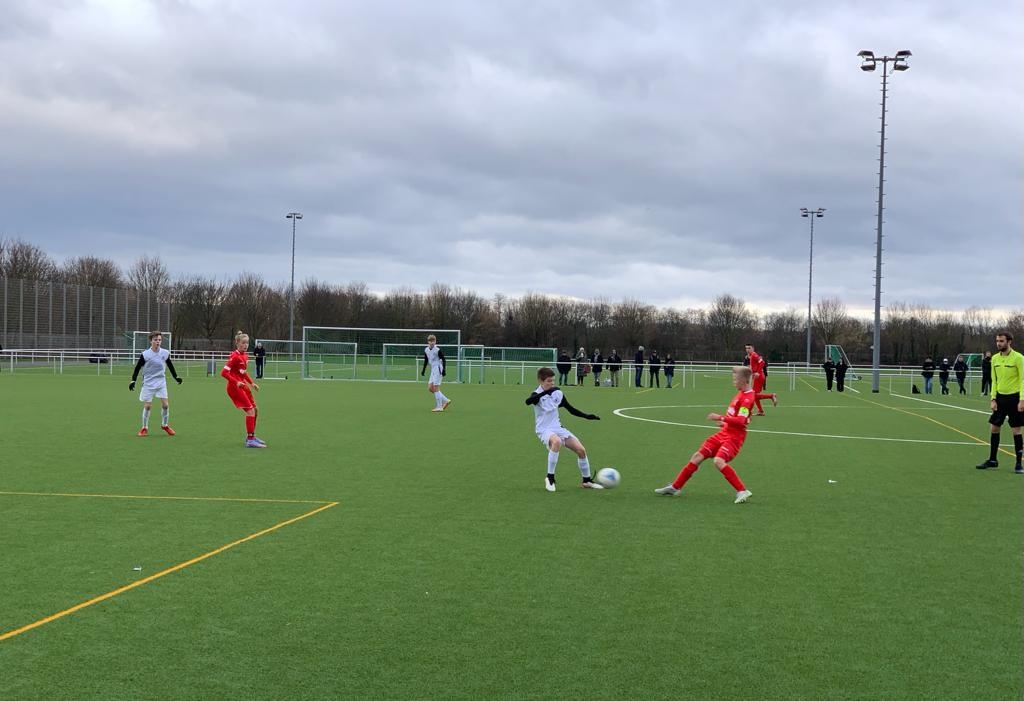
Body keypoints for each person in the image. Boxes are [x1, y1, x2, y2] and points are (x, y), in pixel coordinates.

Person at [655, 365, 754, 504]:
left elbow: (741, 420)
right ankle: (675, 487)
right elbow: (740, 417)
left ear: (743, 380)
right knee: (697, 456)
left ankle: (742, 490)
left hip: (734, 437)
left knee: (718, 461)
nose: (733, 382)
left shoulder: (748, 398)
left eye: (735, 380)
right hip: (725, 432)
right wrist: (725, 424)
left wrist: (720, 417)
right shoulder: (741, 393)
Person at [525, 367, 603, 492]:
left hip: (557, 428)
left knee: (581, 450)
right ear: (540, 381)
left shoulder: (557, 393)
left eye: (553, 381)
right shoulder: (537, 394)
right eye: (548, 381)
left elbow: (570, 409)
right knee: (556, 442)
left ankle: (586, 481)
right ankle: (550, 478)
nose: (552, 383)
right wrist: (547, 392)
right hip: (544, 429)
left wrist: (587, 416)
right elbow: (528, 401)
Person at [975, 332, 1023, 473]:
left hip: (1015, 398)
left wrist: (1022, 400)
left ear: (1009, 342)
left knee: (1016, 430)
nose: (998, 343)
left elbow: (1023, 380)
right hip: (1000, 399)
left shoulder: (1019, 358)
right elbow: (994, 380)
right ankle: (992, 460)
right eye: (997, 341)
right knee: (994, 428)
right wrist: (993, 398)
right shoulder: (994, 359)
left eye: (1001, 341)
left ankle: (1018, 464)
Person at [129, 330, 182, 436]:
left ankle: (165, 425)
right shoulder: (145, 354)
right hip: (148, 383)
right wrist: (133, 380)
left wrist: (176, 377)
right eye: (155, 340)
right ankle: (144, 428)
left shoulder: (165, 353)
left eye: (159, 340)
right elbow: (137, 368)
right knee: (148, 406)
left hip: (161, 382)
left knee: (166, 405)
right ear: (151, 341)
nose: (158, 341)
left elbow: (170, 366)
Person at [221, 330, 265, 448]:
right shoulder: (234, 356)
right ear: (237, 343)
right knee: (250, 411)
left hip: (243, 386)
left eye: (247, 343)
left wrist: (252, 383)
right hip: (234, 387)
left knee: (255, 410)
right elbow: (223, 373)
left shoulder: (245, 356)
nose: (245, 345)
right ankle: (250, 440)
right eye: (243, 343)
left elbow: (243, 372)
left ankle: (252, 436)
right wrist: (236, 382)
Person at [744, 343, 778, 415]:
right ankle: (761, 411)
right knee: (755, 395)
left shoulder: (754, 355)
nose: (747, 350)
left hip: (758, 376)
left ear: (753, 348)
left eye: (749, 348)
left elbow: (762, 362)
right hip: (758, 376)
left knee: (753, 395)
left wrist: (758, 372)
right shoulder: (751, 356)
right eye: (746, 348)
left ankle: (771, 396)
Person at [420, 334, 451, 412]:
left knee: (436, 387)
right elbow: (426, 360)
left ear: (435, 341)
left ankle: (439, 406)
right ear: (428, 342)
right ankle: (446, 400)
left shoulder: (437, 350)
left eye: (433, 341)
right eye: (430, 341)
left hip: (438, 368)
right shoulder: (426, 350)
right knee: (430, 388)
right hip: (433, 369)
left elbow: (443, 359)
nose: (432, 342)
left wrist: (444, 370)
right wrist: (423, 370)